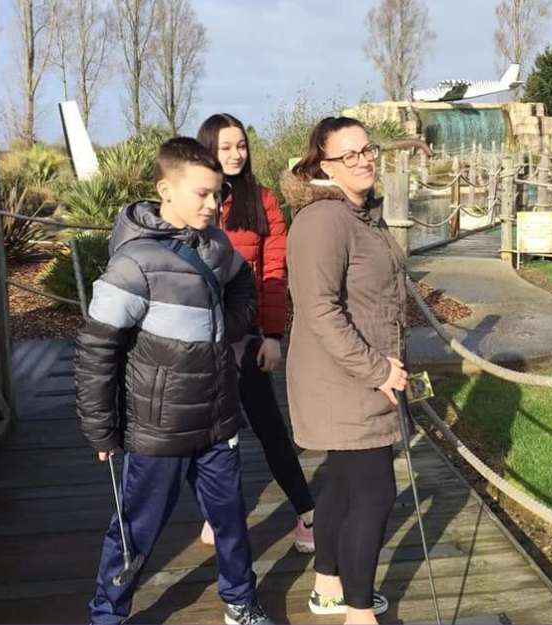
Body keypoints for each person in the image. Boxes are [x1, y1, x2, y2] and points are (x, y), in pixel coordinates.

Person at [75, 137, 275, 625]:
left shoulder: (217, 244)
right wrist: (101, 427)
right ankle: (107, 615)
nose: (213, 205)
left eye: (217, 195)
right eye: (202, 194)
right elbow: (97, 346)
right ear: (165, 189)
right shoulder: (134, 262)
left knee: (230, 522)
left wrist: (229, 326)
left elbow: (244, 282)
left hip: (218, 419)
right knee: (135, 531)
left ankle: (240, 603)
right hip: (156, 429)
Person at [280, 117, 409, 625]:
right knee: (376, 493)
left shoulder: (360, 213)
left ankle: (330, 587)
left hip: (362, 373)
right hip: (346, 380)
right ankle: (359, 614)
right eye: (348, 154)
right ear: (322, 165)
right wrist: (377, 369)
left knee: (342, 485)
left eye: (367, 149)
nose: (364, 159)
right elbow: (319, 310)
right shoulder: (323, 220)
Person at [195, 113, 317, 554]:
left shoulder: (261, 200)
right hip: (199, 341)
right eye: (225, 146)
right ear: (208, 148)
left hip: (245, 337)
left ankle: (306, 512)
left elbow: (273, 272)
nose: (235, 154)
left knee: (269, 428)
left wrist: (271, 335)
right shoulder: (198, 200)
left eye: (241, 145)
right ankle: (218, 511)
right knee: (209, 433)